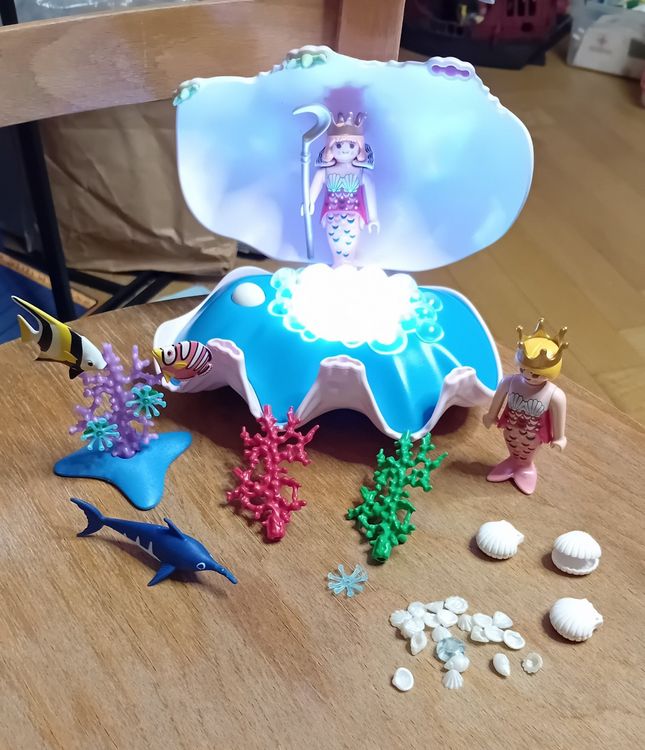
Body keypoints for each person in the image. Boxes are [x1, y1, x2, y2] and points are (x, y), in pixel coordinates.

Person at [482, 318, 568, 495]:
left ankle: (525, 468)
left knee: (527, 450)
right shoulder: (509, 382)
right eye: (523, 369)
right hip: (510, 429)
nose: (528, 375)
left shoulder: (555, 395)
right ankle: (513, 463)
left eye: (535, 374)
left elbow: (559, 416)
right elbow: (497, 399)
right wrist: (491, 416)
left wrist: (559, 438)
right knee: (512, 444)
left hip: (533, 435)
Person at [304, 111, 379, 267]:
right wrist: (309, 202)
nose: (345, 150)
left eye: (351, 145)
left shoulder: (361, 173)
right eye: (338, 145)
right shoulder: (324, 172)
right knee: (335, 240)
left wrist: (373, 218)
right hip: (331, 215)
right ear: (330, 147)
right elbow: (313, 192)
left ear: (359, 148)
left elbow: (370, 193)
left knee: (349, 242)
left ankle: (348, 263)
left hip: (354, 216)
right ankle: (337, 263)